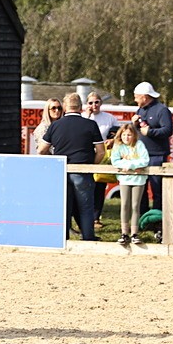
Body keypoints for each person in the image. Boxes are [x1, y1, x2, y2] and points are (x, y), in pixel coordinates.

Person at [38, 92, 105, 241]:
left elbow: (41, 150)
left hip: (61, 171)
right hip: (82, 170)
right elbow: (101, 151)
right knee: (86, 208)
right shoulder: (90, 124)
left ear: (65, 107)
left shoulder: (55, 125)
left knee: (64, 208)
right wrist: (92, 165)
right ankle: (88, 237)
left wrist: (54, 160)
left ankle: (63, 238)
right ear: (81, 107)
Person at [133, 81, 173, 215]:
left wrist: (150, 132)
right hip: (141, 155)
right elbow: (140, 128)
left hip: (156, 155)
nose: (134, 99)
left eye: (136, 96)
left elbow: (168, 130)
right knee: (140, 187)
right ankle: (142, 215)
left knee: (157, 189)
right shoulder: (140, 110)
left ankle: (158, 218)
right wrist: (135, 125)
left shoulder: (162, 110)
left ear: (144, 97)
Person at [83, 91, 118, 226]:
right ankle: (85, 217)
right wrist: (87, 115)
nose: (94, 105)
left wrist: (113, 140)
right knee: (86, 187)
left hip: (102, 155)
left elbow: (119, 133)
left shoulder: (109, 118)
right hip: (86, 154)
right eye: (91, 102)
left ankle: (96, 217)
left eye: (96, 102)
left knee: (99, 187)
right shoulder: (83, 117)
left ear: (101, 103)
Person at [111, 122, 150, 245]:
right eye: (124, 135)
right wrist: (129, 165)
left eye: (129, 135)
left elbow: (145, 160)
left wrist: (131, 165)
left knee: (135, 206)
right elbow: (115, 161)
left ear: (134, 135)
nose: (126, 137)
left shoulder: (139, 145)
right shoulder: (118, 146)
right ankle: (124, 233)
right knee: (124, 205)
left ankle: (134, 233)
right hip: (124, 179)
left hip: (138, 180)